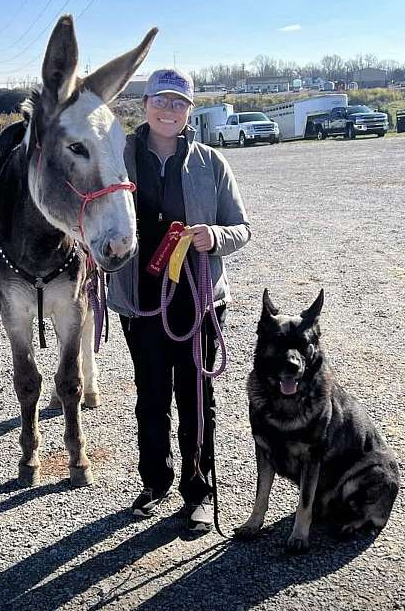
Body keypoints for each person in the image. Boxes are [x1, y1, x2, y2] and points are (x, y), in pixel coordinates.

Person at [107, 69, 251, 533]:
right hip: (140, 298)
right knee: (150, 396)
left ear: (189, 110)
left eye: (178, 103)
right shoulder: (119, 156)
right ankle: (154, 482)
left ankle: (200, 491)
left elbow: (242, 228)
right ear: (144, 104)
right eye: (160, 100)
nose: (169, 110)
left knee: (195, 396)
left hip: (199, 300)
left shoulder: (211, 162)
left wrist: (216, 236)